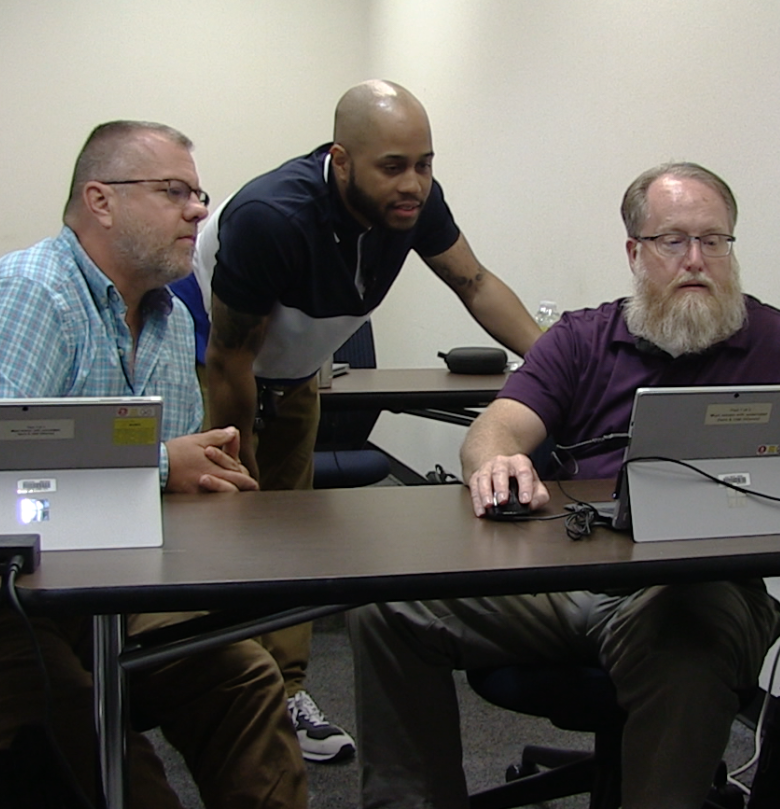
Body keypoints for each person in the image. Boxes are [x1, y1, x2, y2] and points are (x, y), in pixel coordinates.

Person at [348, 162, 780, 809]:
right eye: (673, 241)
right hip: (561, 586)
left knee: (686, 626)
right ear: (634, 252)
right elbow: (495, 429)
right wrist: (495, 462)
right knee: (388, 608)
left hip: (701, 594)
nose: (696, 259)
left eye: (715, 241)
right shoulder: (582, 340)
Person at [0, 121, 306, 809]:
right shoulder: (26, 293)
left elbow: (171, 489)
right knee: (81, 723)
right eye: (174, 191)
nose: (198, 210)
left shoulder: (169, 318)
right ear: (100, 201)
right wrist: (162, 465)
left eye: (200, 193)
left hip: (93, 590)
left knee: (241, 676)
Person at [169, 79, 543, 761]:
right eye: (394, 166)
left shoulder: (413, 203)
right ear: (341, 160)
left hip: (295, 364)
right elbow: (229, 356)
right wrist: (242, 462)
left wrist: (559, 367)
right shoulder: (270, 215)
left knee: (292, 528)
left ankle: (283, 693)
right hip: (217, 363)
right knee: (235, 525)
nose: (415, 184)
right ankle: (217, 688)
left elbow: (474, 282)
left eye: (425, 164)